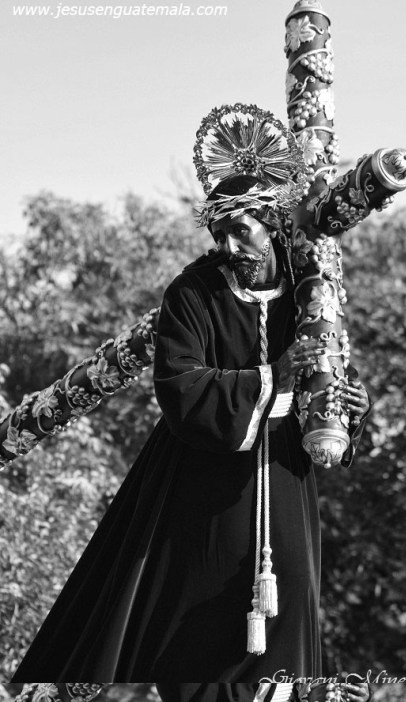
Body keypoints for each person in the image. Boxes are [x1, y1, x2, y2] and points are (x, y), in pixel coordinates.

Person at [11, 108, 370, 686]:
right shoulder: (192, 291)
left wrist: (350, 408)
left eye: (242, 231)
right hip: (202, 484)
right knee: (195, 629)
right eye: (219, 234)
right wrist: (273, 376)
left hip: (286, 478)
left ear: (271, 222)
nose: (230, 245)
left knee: (293, 606)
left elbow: (327, 378)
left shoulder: (309, 286)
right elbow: (181, 387)